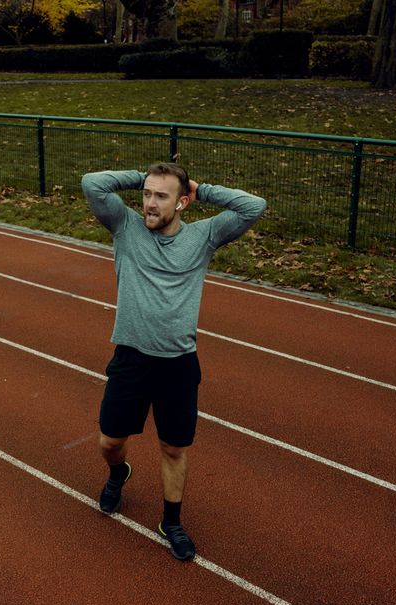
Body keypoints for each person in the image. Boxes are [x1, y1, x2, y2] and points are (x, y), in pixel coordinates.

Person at [81, 162, 266, 561]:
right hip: (130, 358)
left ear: (182, 203)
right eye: (146, 195)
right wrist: (142, 177)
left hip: (178, 365)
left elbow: (253, 206)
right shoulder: (125, 226)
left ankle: (172, 522)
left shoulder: (204, 236)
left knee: (173, 448)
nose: (149, 203)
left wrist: (203, 188)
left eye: (160, 197)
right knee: (110, 441)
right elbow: (92, 183)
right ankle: (118, 474)